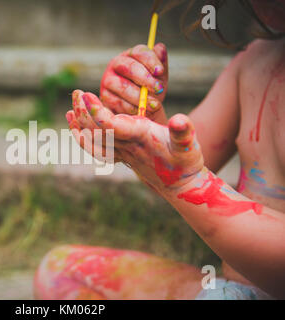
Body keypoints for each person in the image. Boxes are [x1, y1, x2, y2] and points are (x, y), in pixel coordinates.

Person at [34, 0, 285, 300]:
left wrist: (188, 183)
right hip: (234, 292)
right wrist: (141, 120)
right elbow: (177, 159)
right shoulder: (255, 62)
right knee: (61, 274)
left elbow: (186, 177)